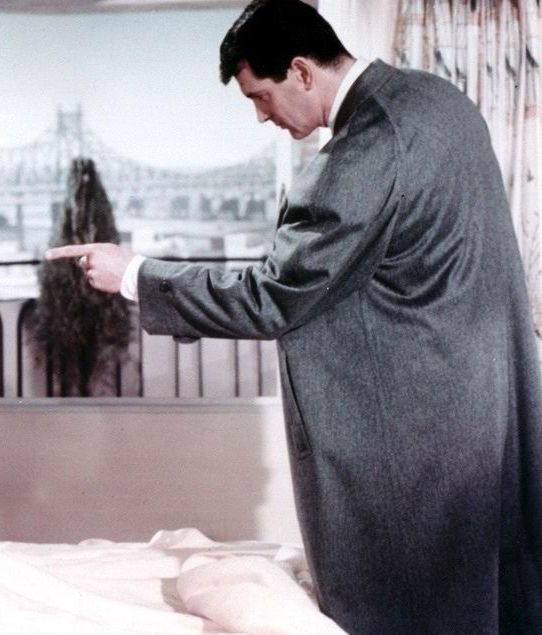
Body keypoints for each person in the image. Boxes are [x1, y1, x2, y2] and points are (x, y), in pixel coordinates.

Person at [47, 0, 542, 632]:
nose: (261, 116)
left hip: (418, 436)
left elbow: (273, 295)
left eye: (260, 95)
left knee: (413, 609)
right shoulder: (437, 101)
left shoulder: (366, 150)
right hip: (481, 410)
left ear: (302, 72)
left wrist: (135, 276)